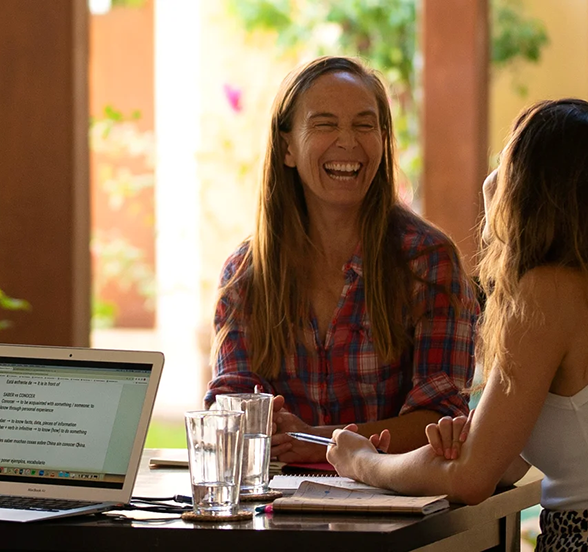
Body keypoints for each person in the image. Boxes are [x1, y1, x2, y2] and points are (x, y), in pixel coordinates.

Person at [327, 99, 588, 550]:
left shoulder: (552, 292)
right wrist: (461, 448)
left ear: (534, 187)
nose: (491, 179)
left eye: (505, 158)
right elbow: (499, 462)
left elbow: (472, 479)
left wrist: (362, 462)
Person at [204, 56, 479, 462]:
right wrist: (259, 424)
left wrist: (314, 440)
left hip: (395, 509)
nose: (348, 142)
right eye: (325, 124)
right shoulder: (245, 273)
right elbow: (230, 406)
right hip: (277, 511)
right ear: (287, 148)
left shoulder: (428, 261)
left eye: (365, 125)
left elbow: (439, 420)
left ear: (383, 141)